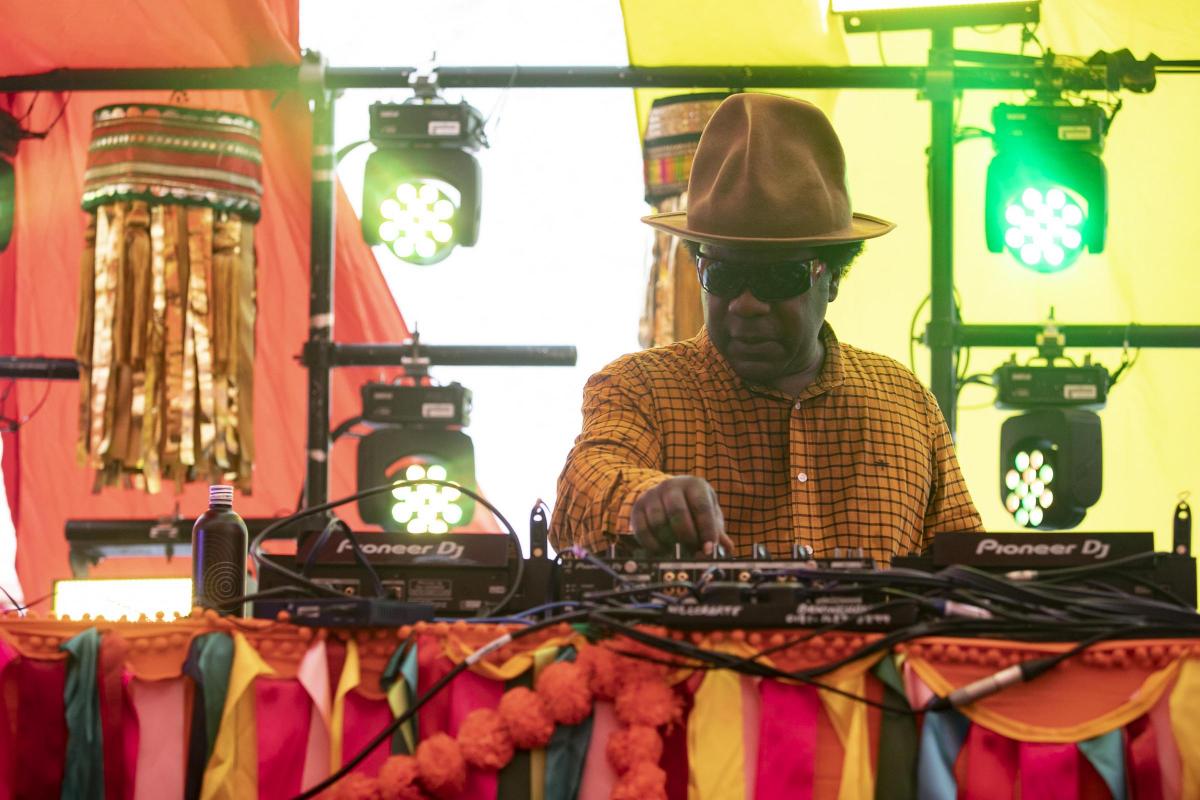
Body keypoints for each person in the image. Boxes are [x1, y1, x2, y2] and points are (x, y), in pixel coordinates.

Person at [550, 92, 982, 564]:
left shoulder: (905, 400)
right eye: (722, 273)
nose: (747, 303)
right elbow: (580, 495)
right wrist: (645, 501)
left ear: (834, 276)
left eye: (778, 276)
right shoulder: (640, 388)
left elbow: (971, 567)